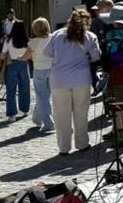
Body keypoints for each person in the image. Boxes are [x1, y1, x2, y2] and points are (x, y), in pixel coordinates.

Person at [42, 8, 102, 156]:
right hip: (81, 79)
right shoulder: (89, 36)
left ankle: (64, 147)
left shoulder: (57, 34)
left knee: (61, 115)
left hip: (59, 80)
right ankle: (82, 143)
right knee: (81, 113)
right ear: (87, 22)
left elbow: (47, 53)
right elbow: (96, 56)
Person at [0, 19, 32, 123]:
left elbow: (3, 54)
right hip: (24, 64)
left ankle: (12, 114)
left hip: (12, 64)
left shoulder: (9, 40)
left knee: (11, 90)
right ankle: (25, 110)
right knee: (25, 87)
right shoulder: (27, 41)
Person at [27, 17, 54, 133]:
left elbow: (27, 56)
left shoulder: (33, 42)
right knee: (45, 95)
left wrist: (19, 57)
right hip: (53, 69)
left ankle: (48, 123)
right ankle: (37, 119)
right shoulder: (54, 38)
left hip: (39, 69)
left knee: (42, 96)